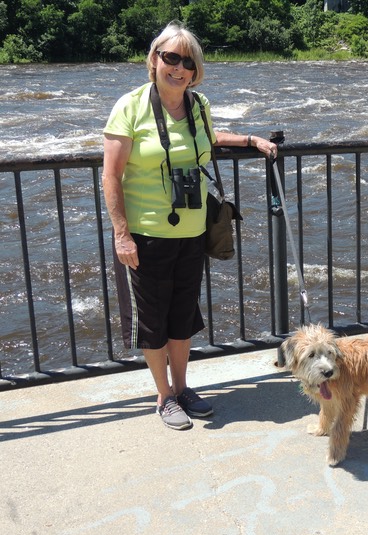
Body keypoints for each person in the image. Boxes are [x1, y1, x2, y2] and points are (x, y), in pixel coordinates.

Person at [102, 21, 277, 430]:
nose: (178, 67)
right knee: (153, 321)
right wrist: (121, 233)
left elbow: (212, 138)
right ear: (154, 60)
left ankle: (182, 388)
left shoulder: (198, 105)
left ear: (195, 70)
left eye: (187, 61)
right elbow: (111, 175)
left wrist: (251, 140)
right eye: (170, 58)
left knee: (182, 316)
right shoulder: (129, 106)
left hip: (191, 230)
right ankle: (163, 397)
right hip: (146, 235)